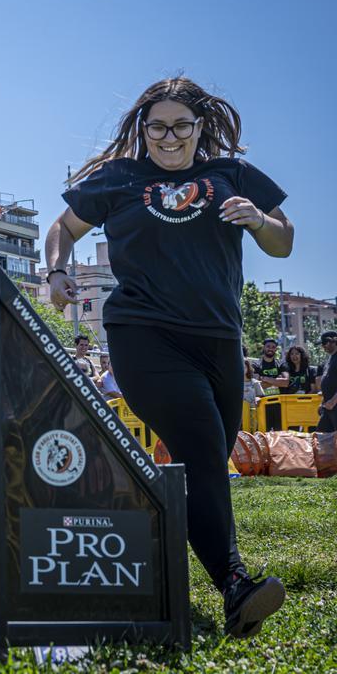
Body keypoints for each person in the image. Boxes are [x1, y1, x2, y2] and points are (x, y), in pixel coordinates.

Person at [47, 76, 293, 636]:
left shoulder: (231, 175)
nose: (169, 137)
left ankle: (165, 560)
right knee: (203, 446)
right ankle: (235, 583)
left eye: (181, 125)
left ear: (200, 127)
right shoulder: (120, 179)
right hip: (145, 334)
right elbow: (63, 227)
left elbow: (285, 240)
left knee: (205, 461)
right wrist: (57, 271)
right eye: (157, 126)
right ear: (143, 128)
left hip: (221, 340)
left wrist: (257, 220)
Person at [316, 331, 337, 432]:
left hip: (334, 404)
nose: (323, 346)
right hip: (328, 407)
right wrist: (323, 401)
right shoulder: (330, 359)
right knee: (322, 435)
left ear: (333, 342)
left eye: (325, 343)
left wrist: (333, 401)